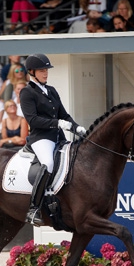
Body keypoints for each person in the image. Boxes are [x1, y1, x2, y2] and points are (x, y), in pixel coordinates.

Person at [20, 53, 86, 226]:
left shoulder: (51, 91)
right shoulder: (27, 92)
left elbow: (64, 115)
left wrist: (76, 127)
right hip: (41, 138)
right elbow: (32, 120)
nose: (45, 73)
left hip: (59, 137)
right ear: (32, 72)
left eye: (46, 70)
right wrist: (57, 123)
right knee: (48, 163)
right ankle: (33, 209)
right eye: (42, 70)